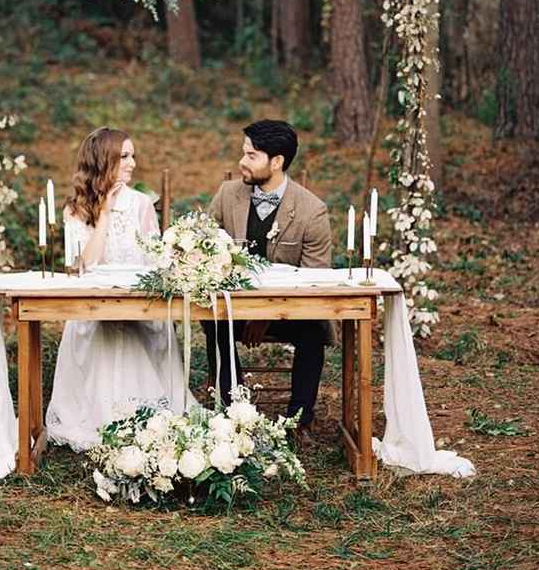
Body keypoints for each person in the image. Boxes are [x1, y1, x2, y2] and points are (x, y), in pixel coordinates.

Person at [46, 126, 188, 451]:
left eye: (133, 155)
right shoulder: (76, 208)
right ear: (103, 160)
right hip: (93, 309)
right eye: (125, 156)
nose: (133, 163)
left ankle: (142, 416)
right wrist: (106, 214)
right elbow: (85, 266)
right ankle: (101, 416)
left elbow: (157, 261)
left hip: (138, 306)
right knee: (102, 331)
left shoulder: (141, 204)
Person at [204, 119, 332, 443]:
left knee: (314, 329)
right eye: (243, 153)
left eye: (251, 155)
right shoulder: (227, 194)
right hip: (233, 308)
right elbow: (203, 249)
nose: (241, 161)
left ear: (276, 162)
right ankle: (233, 412)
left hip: (292, 311)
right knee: (213, 321)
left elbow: (313, 283)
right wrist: (245, 310)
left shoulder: (312, 211)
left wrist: (265, 314)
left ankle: (299, 419)